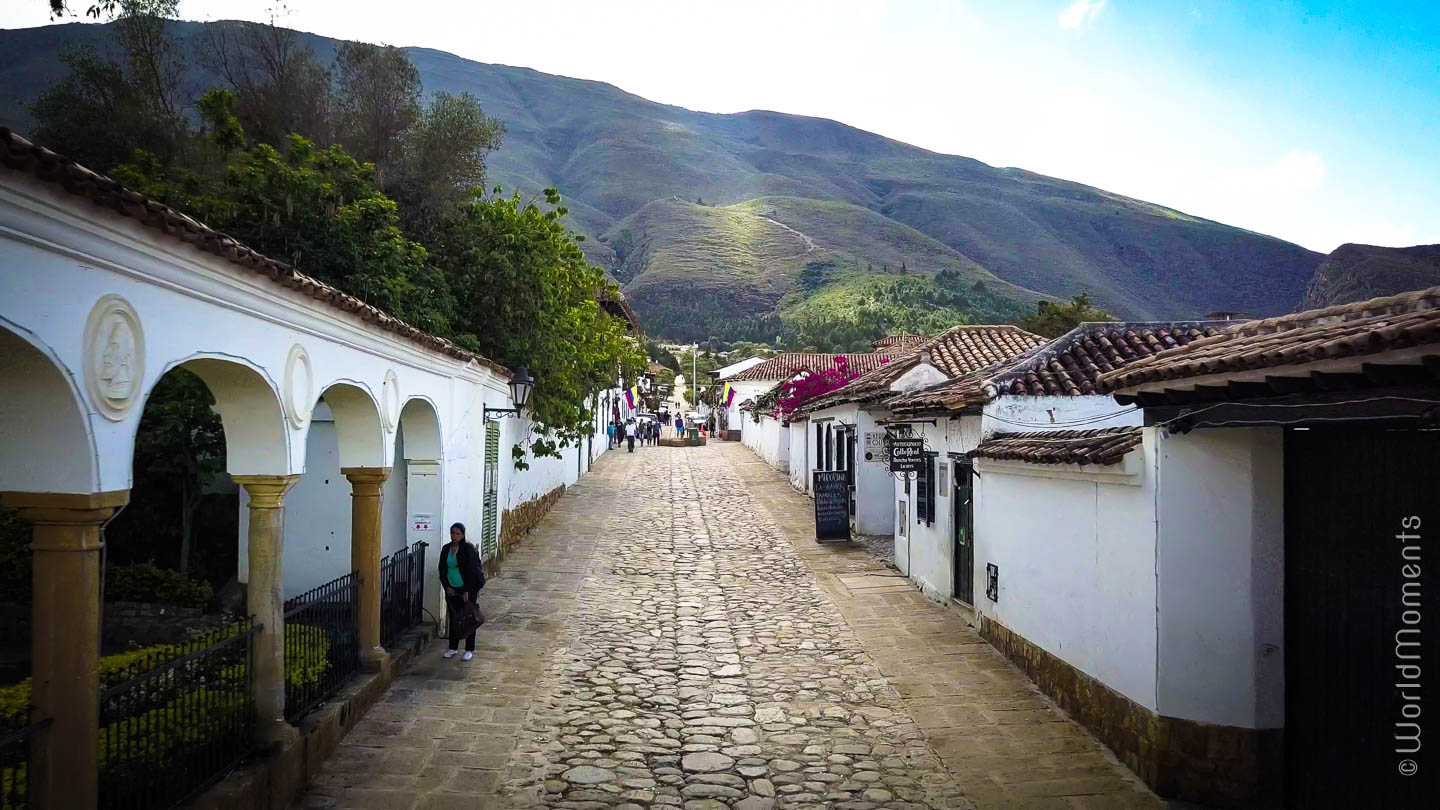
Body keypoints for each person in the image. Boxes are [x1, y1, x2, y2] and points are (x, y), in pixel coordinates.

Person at [438, 522, 485, 661]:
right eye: (453, 533)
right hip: (452, 589)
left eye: (457, 533)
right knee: (454, 617)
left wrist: (467, 591)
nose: (454, 536)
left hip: (467, 589)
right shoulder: (446, 549)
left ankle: (469, 648)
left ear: (462, 535)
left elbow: (472, 570)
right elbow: (442, 569)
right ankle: (453, 647)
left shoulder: (468, 549)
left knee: (469, 617)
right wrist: (447, 586)